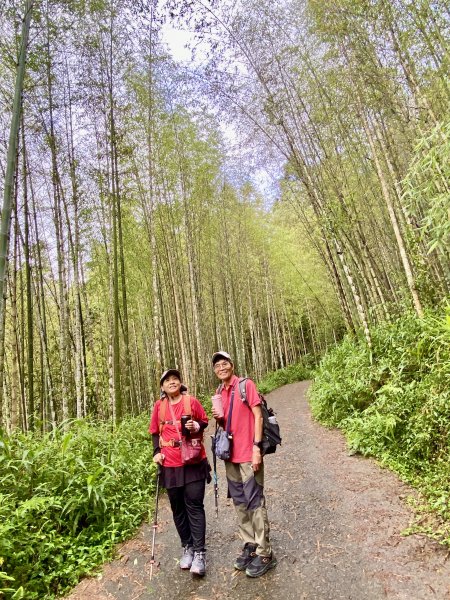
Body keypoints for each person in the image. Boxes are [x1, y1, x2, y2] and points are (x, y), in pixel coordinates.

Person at [211, 351, 277, 578]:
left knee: (255, 501)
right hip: (230, 456)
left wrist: (257, 447)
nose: (221, 367)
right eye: (217, 365)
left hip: (249, 453)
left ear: (232, 365)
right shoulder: (220, 391)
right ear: (215, 370)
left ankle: (265, 552)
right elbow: (228, 422)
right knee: (240, 501)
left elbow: (257, 416)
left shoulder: (245, 385)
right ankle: (250, 544)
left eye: (224, 363)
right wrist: (219, 418)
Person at [149, 369, 209, 576]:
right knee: (178, 508)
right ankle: (188, 547)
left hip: (192, 460)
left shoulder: (191, 401)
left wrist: (196, 425)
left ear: (181, 383)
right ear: (162, 387)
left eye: (175, 379)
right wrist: (156, 452)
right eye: (168, 380)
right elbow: (155, 432)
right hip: (170, 464)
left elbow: (205, 421)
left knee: (194, 505)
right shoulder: (159, 406)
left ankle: (200, 553)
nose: (172, 382)